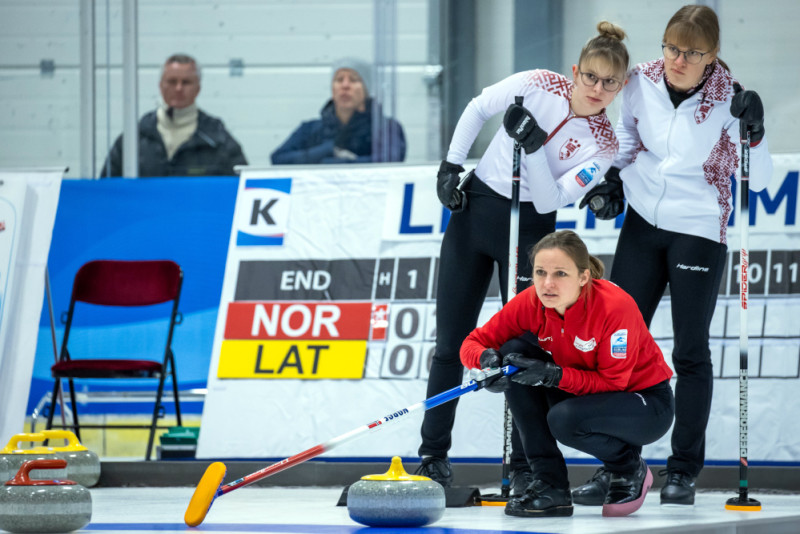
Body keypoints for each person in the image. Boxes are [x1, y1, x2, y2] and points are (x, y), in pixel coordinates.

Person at [416, 22, 629, 493]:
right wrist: (451, 165)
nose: (597, 89)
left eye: (610, 83)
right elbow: (477, 108)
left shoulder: (604, 144)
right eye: (590, 77)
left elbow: (551, 198)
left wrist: (533, 147)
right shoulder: (536, 83)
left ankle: (524, 464)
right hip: (477, 213)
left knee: (521, 350)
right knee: (450, 342)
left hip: (531, 232)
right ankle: (433, 456)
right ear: (575, 71)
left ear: (621, 86)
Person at [577, 4, 773, 506]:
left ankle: (683, 469)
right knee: (615, 346)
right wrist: (611, 178)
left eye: (691, 52)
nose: (677, 60)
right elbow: (625, 136)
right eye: (671, 47)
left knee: (689, 351)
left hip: (699, 228)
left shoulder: (729, 99)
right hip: (642, 223)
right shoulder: (640, 79)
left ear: (712, 56)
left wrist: (756, 129)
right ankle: (621, 466)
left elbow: (764, 178)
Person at [462, 230, 675, 518]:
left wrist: (552, 375)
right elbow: (473, 342)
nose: (547, 284)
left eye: (560, 273)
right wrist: (487, 361)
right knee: (512, 351)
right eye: (540, 272)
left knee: (564, 419)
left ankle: (628, 468)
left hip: (644, 402)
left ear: (583, 277)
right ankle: (550, 485)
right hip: (582, 389)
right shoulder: (532, 301)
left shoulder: (614, 306)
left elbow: (613, 384)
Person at [101, 54, 248, 177]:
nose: (178, 88)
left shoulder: (217, 139)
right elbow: (107, 191)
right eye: (172, 82)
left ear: (198, 88)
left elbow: (242, 189)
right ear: (160, 86)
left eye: (186, 82)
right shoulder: (134, 139)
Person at [270, 58, 406, 164]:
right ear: (332, 88)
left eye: (353, 80)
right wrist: (327, 151)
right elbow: (278, 159)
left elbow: (391, 160)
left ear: (366, 89)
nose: (345, 86)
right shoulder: (310, 129)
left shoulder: (386, 128)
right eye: (339, 79)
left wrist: (339, 163)